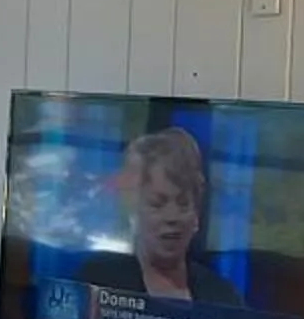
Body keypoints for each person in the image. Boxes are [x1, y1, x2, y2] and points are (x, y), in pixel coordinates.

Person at [80, 127, 245, 306]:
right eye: (157, 204)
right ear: (133, 210)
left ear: (196, 215)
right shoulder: (98, 281)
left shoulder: (223, 297)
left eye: (183, 204)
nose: (172, 217)